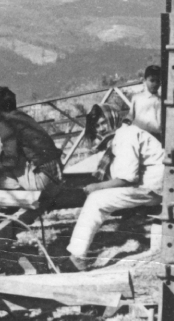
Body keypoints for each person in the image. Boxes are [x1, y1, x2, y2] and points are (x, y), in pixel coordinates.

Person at [66, 103, 165, 270]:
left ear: (113, 117)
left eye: (103, 122)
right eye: (97, 126)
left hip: (155, 188)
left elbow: (127, 179)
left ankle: (77, 256)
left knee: (96, 200)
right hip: (151, 186)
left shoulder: (126, 135)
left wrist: (97, 186)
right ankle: (77, 254)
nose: (101, 128)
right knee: (97, 197)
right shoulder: (121, 135)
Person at [0, 86, 63, 207]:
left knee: (2, 157)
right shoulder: (23, 117)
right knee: (9, 156)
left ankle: (8, 190)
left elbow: (11, 159)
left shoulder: (6, 123)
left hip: (43, 184)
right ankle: (6, 186)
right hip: (57, 179)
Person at [129, 64, 163, 139]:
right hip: (137, 136)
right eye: (152, 80)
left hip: (155, 137)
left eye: (158, 81)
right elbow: (130, 116)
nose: (155, 84)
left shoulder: (160, 100)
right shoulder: (137, 98)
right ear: (145, 80)